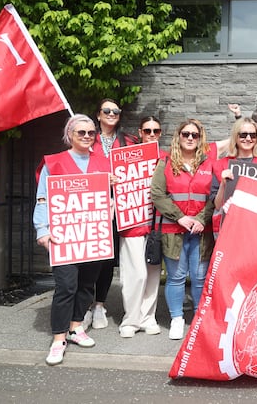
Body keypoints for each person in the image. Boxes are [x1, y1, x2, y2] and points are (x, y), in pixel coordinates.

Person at [34, 114, 111, 365]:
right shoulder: (53, 163)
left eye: (91, 133)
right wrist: (41, 229)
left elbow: (110, 199)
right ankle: (59, 339)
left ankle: (76, 327)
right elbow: (42, 197)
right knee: (66, 286)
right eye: (81, 133)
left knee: (87, 284)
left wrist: (112, 187)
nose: (87, 137)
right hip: (64, 236)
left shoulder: (103, 162)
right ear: (70, 135)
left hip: (93, 236)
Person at [151, 119, 215, 340]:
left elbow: (214, 196)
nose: (190, 138)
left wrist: (200, 219)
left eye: (194, 135)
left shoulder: (209, 163)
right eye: (186, 134)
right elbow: (157, 194)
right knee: (176, 277)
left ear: (200, 138)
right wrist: (180, 217)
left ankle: (198, 318)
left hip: (201, 230)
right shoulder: (165, 162)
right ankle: (177, 318)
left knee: (199, 277)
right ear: (178, 136)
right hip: (173, 230)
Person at [83, 98, 136, 331]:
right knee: (88, 258)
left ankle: (99, 304)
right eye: (107, 110)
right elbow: (75, 170)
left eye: (116, 111)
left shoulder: (128, 141)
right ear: (98, 114)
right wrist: (101, 180)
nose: (111, 113)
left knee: (106, 259)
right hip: (91, 208)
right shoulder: (85, 139)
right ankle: (83, 306)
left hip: (119, 209)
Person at [117, 117, 166, 338]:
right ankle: (131, 319)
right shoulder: (125, 158)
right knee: (135, 274)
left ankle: (148, 317)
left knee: (153, 273)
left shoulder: (166, 157)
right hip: (132, 223)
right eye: (148, 130)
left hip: (157, 225)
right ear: (140, 132)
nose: (152, 134)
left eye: (156, 130)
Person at [209, 118, 257, 236]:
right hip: (228, 228)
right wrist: (223, 184)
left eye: (253, 135)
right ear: (236, 137)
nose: (248, 139)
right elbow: (217, 205)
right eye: (243, 135)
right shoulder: (220, 165)